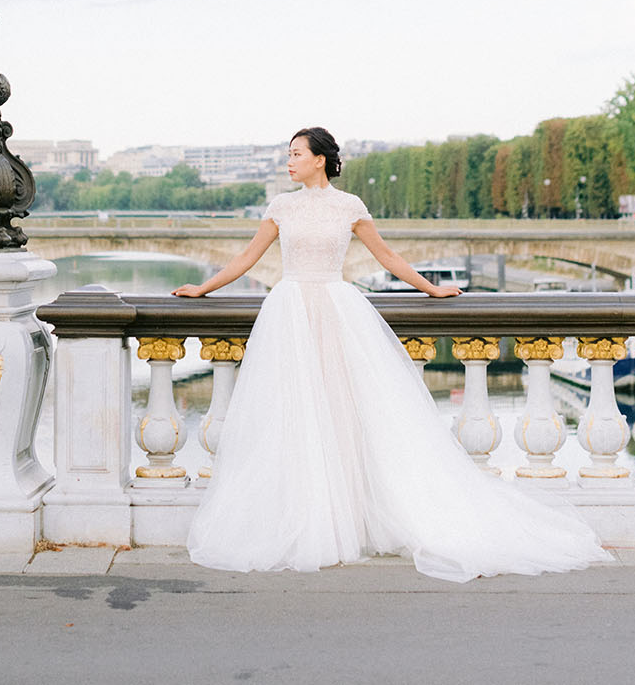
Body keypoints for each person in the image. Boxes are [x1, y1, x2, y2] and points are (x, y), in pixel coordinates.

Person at [172, 126, 608, 580]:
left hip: (335, 313)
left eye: (296, 154)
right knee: (294, 415)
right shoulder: (280, 207)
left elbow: (388, 259)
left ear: (320, 159)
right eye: (288, 154)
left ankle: (343, 517)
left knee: (342, 412)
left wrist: (431, 288)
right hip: (291, 314)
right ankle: (313, 514)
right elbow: (247, 258)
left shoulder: (351, 207)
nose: (289, 161)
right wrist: (202, 288)